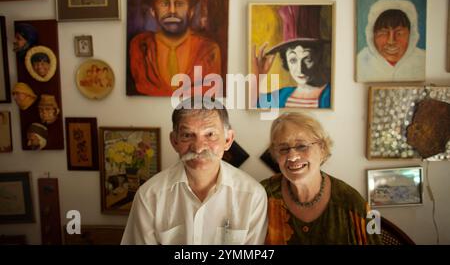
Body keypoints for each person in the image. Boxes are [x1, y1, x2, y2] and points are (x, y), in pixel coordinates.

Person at [121, 98, 268, 244]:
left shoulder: (253, 196)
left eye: (210, 134)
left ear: (228, 140)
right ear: (174, 141)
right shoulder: (149, 196)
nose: (198, 148)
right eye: (187, 135)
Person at [261, 112, 381, 244]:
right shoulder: (262, 195)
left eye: (302, 146)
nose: (292, 156)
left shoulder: (353, 202)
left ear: (322, 148)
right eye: (283, 149)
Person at [129, 0, 222, 96]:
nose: (172, 11)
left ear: (191, 11)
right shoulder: (140, 46)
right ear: (153, 11)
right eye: (165, 3)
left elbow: (210, 95)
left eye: (179, 4)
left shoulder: (208, 50)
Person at [357, 0, 425, 82]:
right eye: (383, 33)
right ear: (372, 35)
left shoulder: (422, 59)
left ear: (411, 35)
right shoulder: (361, 61)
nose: (391, 41)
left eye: (399, 33)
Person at [253, 38, 331, 108]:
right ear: (286, 61)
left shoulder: (330, 94)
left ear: (318, 57)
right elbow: (253, 105)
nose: (300, 69)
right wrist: (259, 75)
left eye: (307, 59)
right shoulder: (282, 95)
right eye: (293, 60)